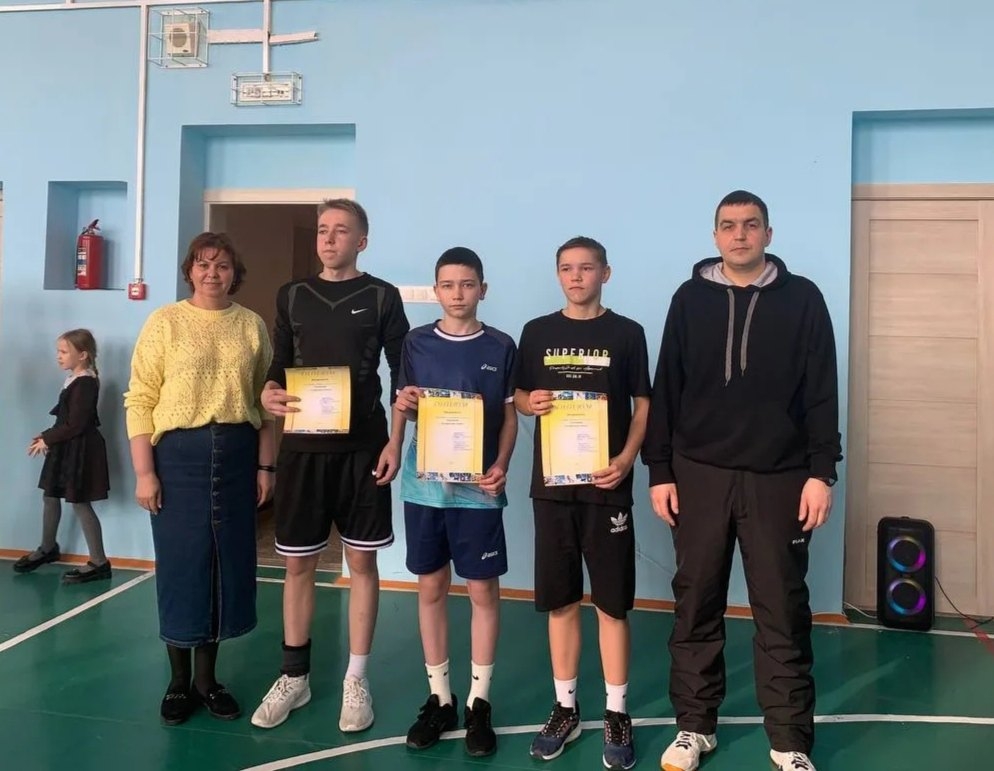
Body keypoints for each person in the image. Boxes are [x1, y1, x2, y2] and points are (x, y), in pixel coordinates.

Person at [643, 190, 842, 771]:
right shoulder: (689, 300)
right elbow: (667, 386)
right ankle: (694, 728)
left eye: (751, 225)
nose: (739, 235)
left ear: (768, 235)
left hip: (779, 479)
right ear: (715, 236)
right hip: (698, 474)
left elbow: (822, 390)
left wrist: (821, 472)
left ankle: (790, 741)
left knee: (782, 608)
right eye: (728, 226)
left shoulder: (804, 299)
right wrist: (660, 470)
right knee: (696, 602)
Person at [251, 198, 410, 733]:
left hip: (364, 452)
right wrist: (268, 392)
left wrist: (395, 443)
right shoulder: (292, 294)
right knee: (298, 566)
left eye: (341, 230)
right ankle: (294, 676)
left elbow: (402, 377)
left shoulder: (382, 296)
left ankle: (356, 679)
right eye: (323, 229)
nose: (328, 238)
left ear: (361, 241)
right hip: (302, 451)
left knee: (361, 564)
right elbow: (278, 364)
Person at [124, 232, 275, 727]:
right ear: (189, 270)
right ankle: (178, 682)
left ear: (235, 273)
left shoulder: (251, 325)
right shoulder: (164, 322)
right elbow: (140, 399)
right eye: (204, 264)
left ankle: (208, 681)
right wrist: (145, 472)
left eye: (223, 265)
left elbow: (265, 403)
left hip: (236, 456)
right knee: (182, 566)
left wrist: (265, 467)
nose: (213, 273)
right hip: (177, 460)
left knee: (223, 567)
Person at [514, 236, 650, 770]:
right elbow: (519, 396)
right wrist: (530, 402)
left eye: (586, 268)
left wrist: (627, 459)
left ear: (605, 274)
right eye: (567, 268)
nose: (576, 277)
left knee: (612, 604)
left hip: (606, 487)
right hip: (552, 490)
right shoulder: (536, 332)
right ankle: (565, 707)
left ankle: (617, 711)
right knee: (561, 601)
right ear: (558, 275)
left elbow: (643, 404)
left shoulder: (628, 333)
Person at [391, 247, 518, 757]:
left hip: (478, 490)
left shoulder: (501, 345)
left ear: (482, 289)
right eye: (448, 285)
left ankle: (478, 703)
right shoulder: (416, 341)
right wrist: (399, 420)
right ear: (436, 290)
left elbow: (509, 416)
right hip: (424, 488)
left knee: (483, 591)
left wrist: (502, 464)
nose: (458, 293)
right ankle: (440, 699)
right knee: (430, 587)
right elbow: (404, 404)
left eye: (468, 284)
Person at [16, 329, 111, 584]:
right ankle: (48, 548)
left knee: (79, 502)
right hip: (67, 446)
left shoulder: (86, 383)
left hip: (80, 449)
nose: (58, 356)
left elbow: (77, 424)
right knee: (50, 495)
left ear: (83, 355)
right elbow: (66, 420)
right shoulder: (73, 380)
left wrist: (48, 439)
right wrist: (46, 435)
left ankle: (99, 562)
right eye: (58, 351)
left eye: (64, 352)